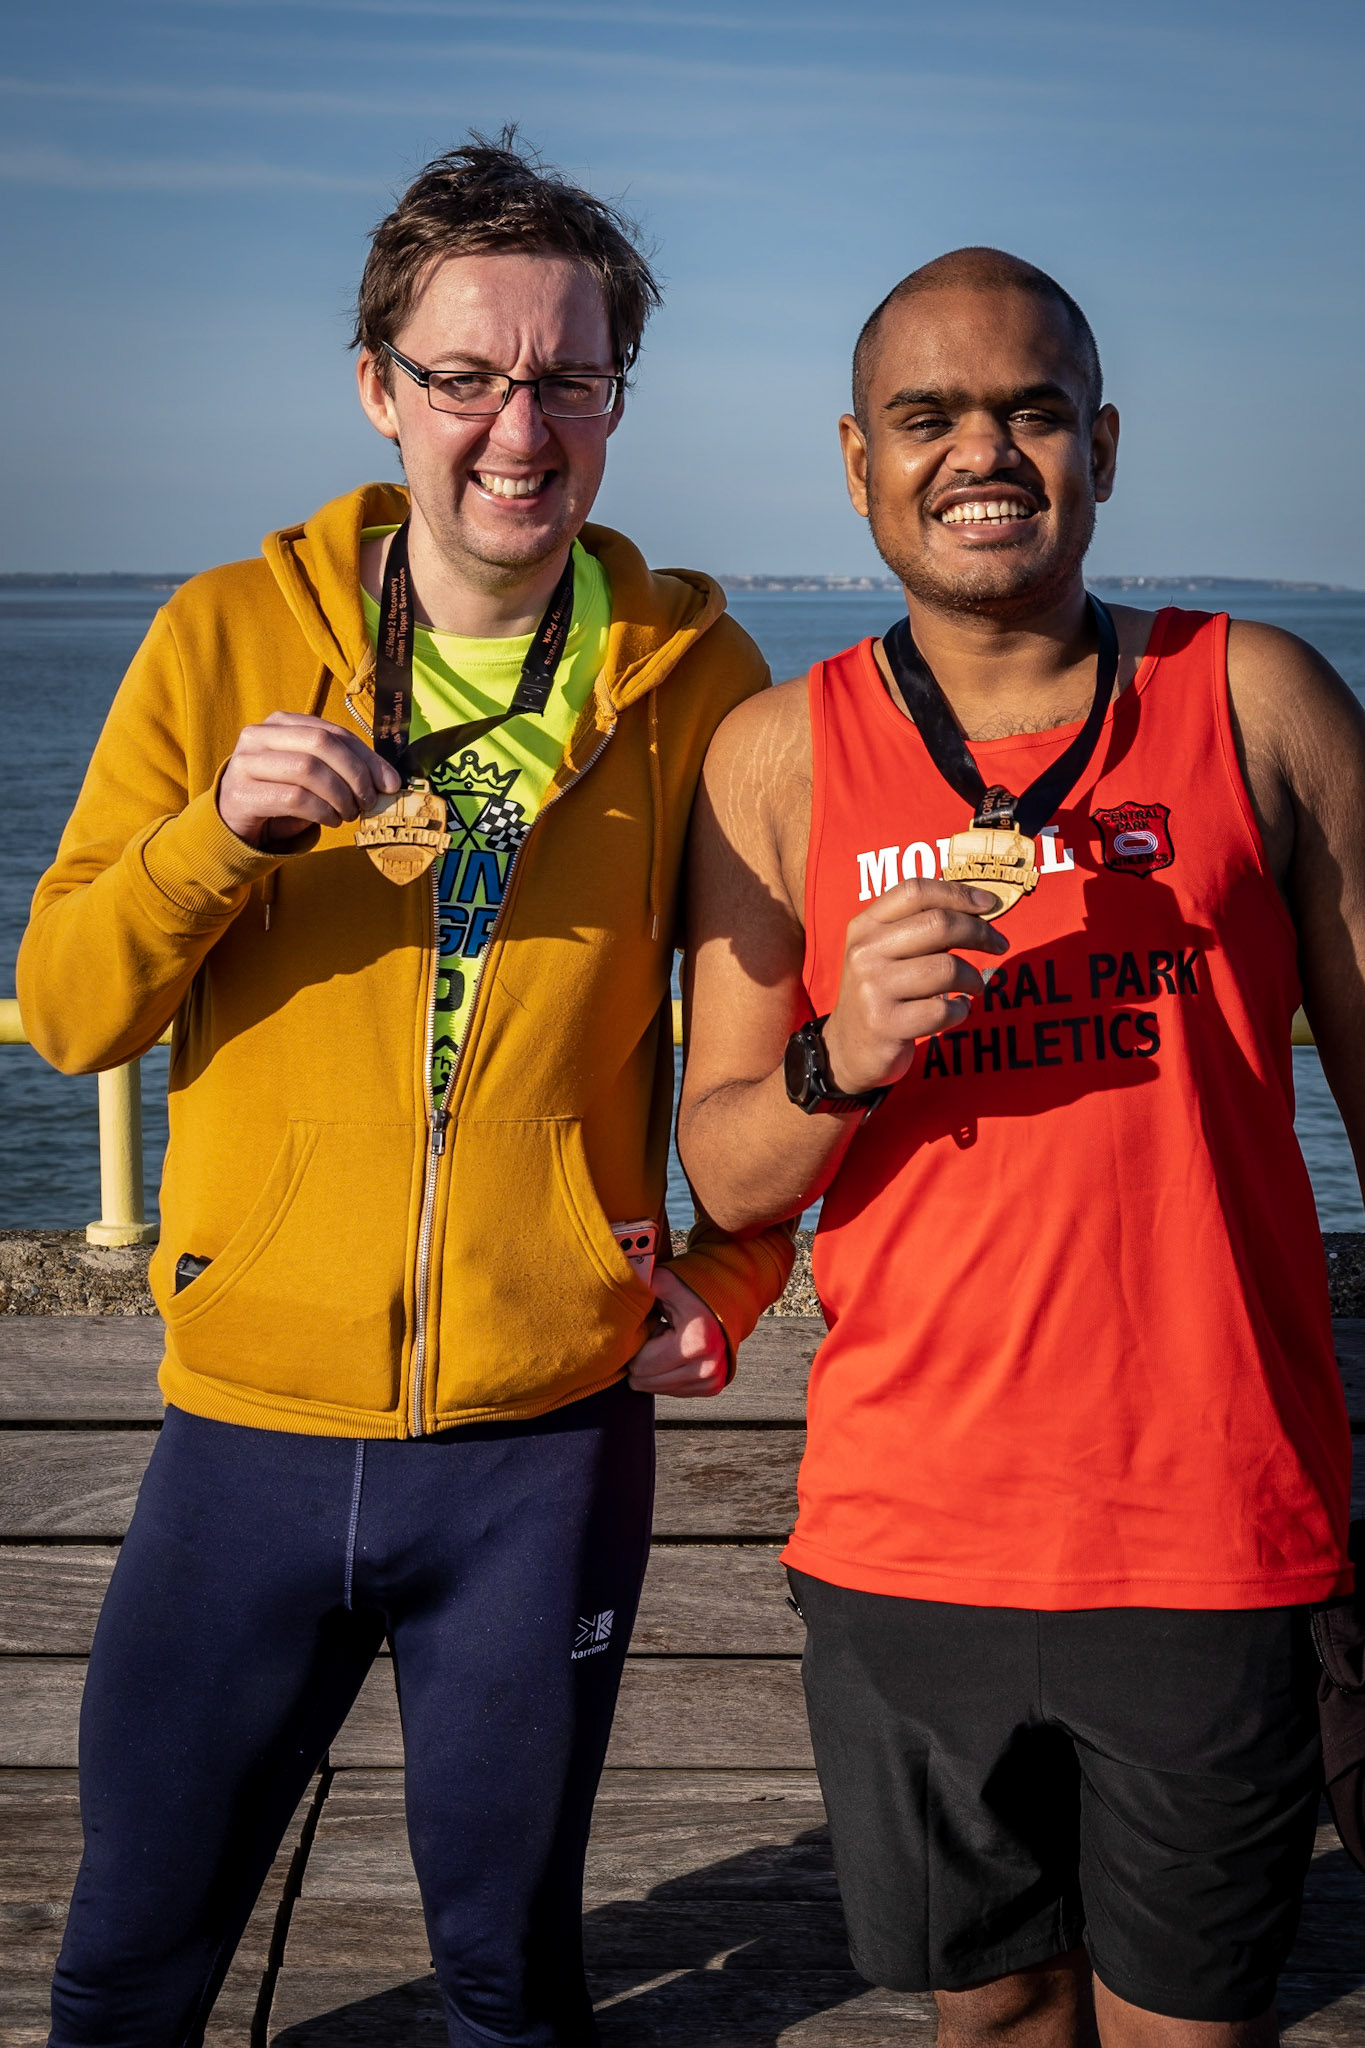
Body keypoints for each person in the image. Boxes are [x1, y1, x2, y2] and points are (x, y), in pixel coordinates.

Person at [18, 134, 792, 2048]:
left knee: (508, 1980)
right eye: (466, 376)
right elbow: (66, 1012)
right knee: (127, 1961)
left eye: (566, 378)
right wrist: (220, 834)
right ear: (381, 389)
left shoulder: (699, 680)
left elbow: (760, 1040)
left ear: (615, 399)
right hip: (242, 1433)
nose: (515, 427)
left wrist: (737, 1270)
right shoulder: (223, 635)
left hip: (543, 1451)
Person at [678, 246, 1365, 2045]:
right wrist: (842, 1054)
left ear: (1101, 444)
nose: (981, 451)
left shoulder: (1258, 699)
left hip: (1214, 1523)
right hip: (911, 1535)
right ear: (855, 461)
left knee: (1188, 2029)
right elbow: (729, 1176)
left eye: (1029, 409)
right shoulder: (777, 758)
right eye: (927, 416)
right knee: (984, 2020)